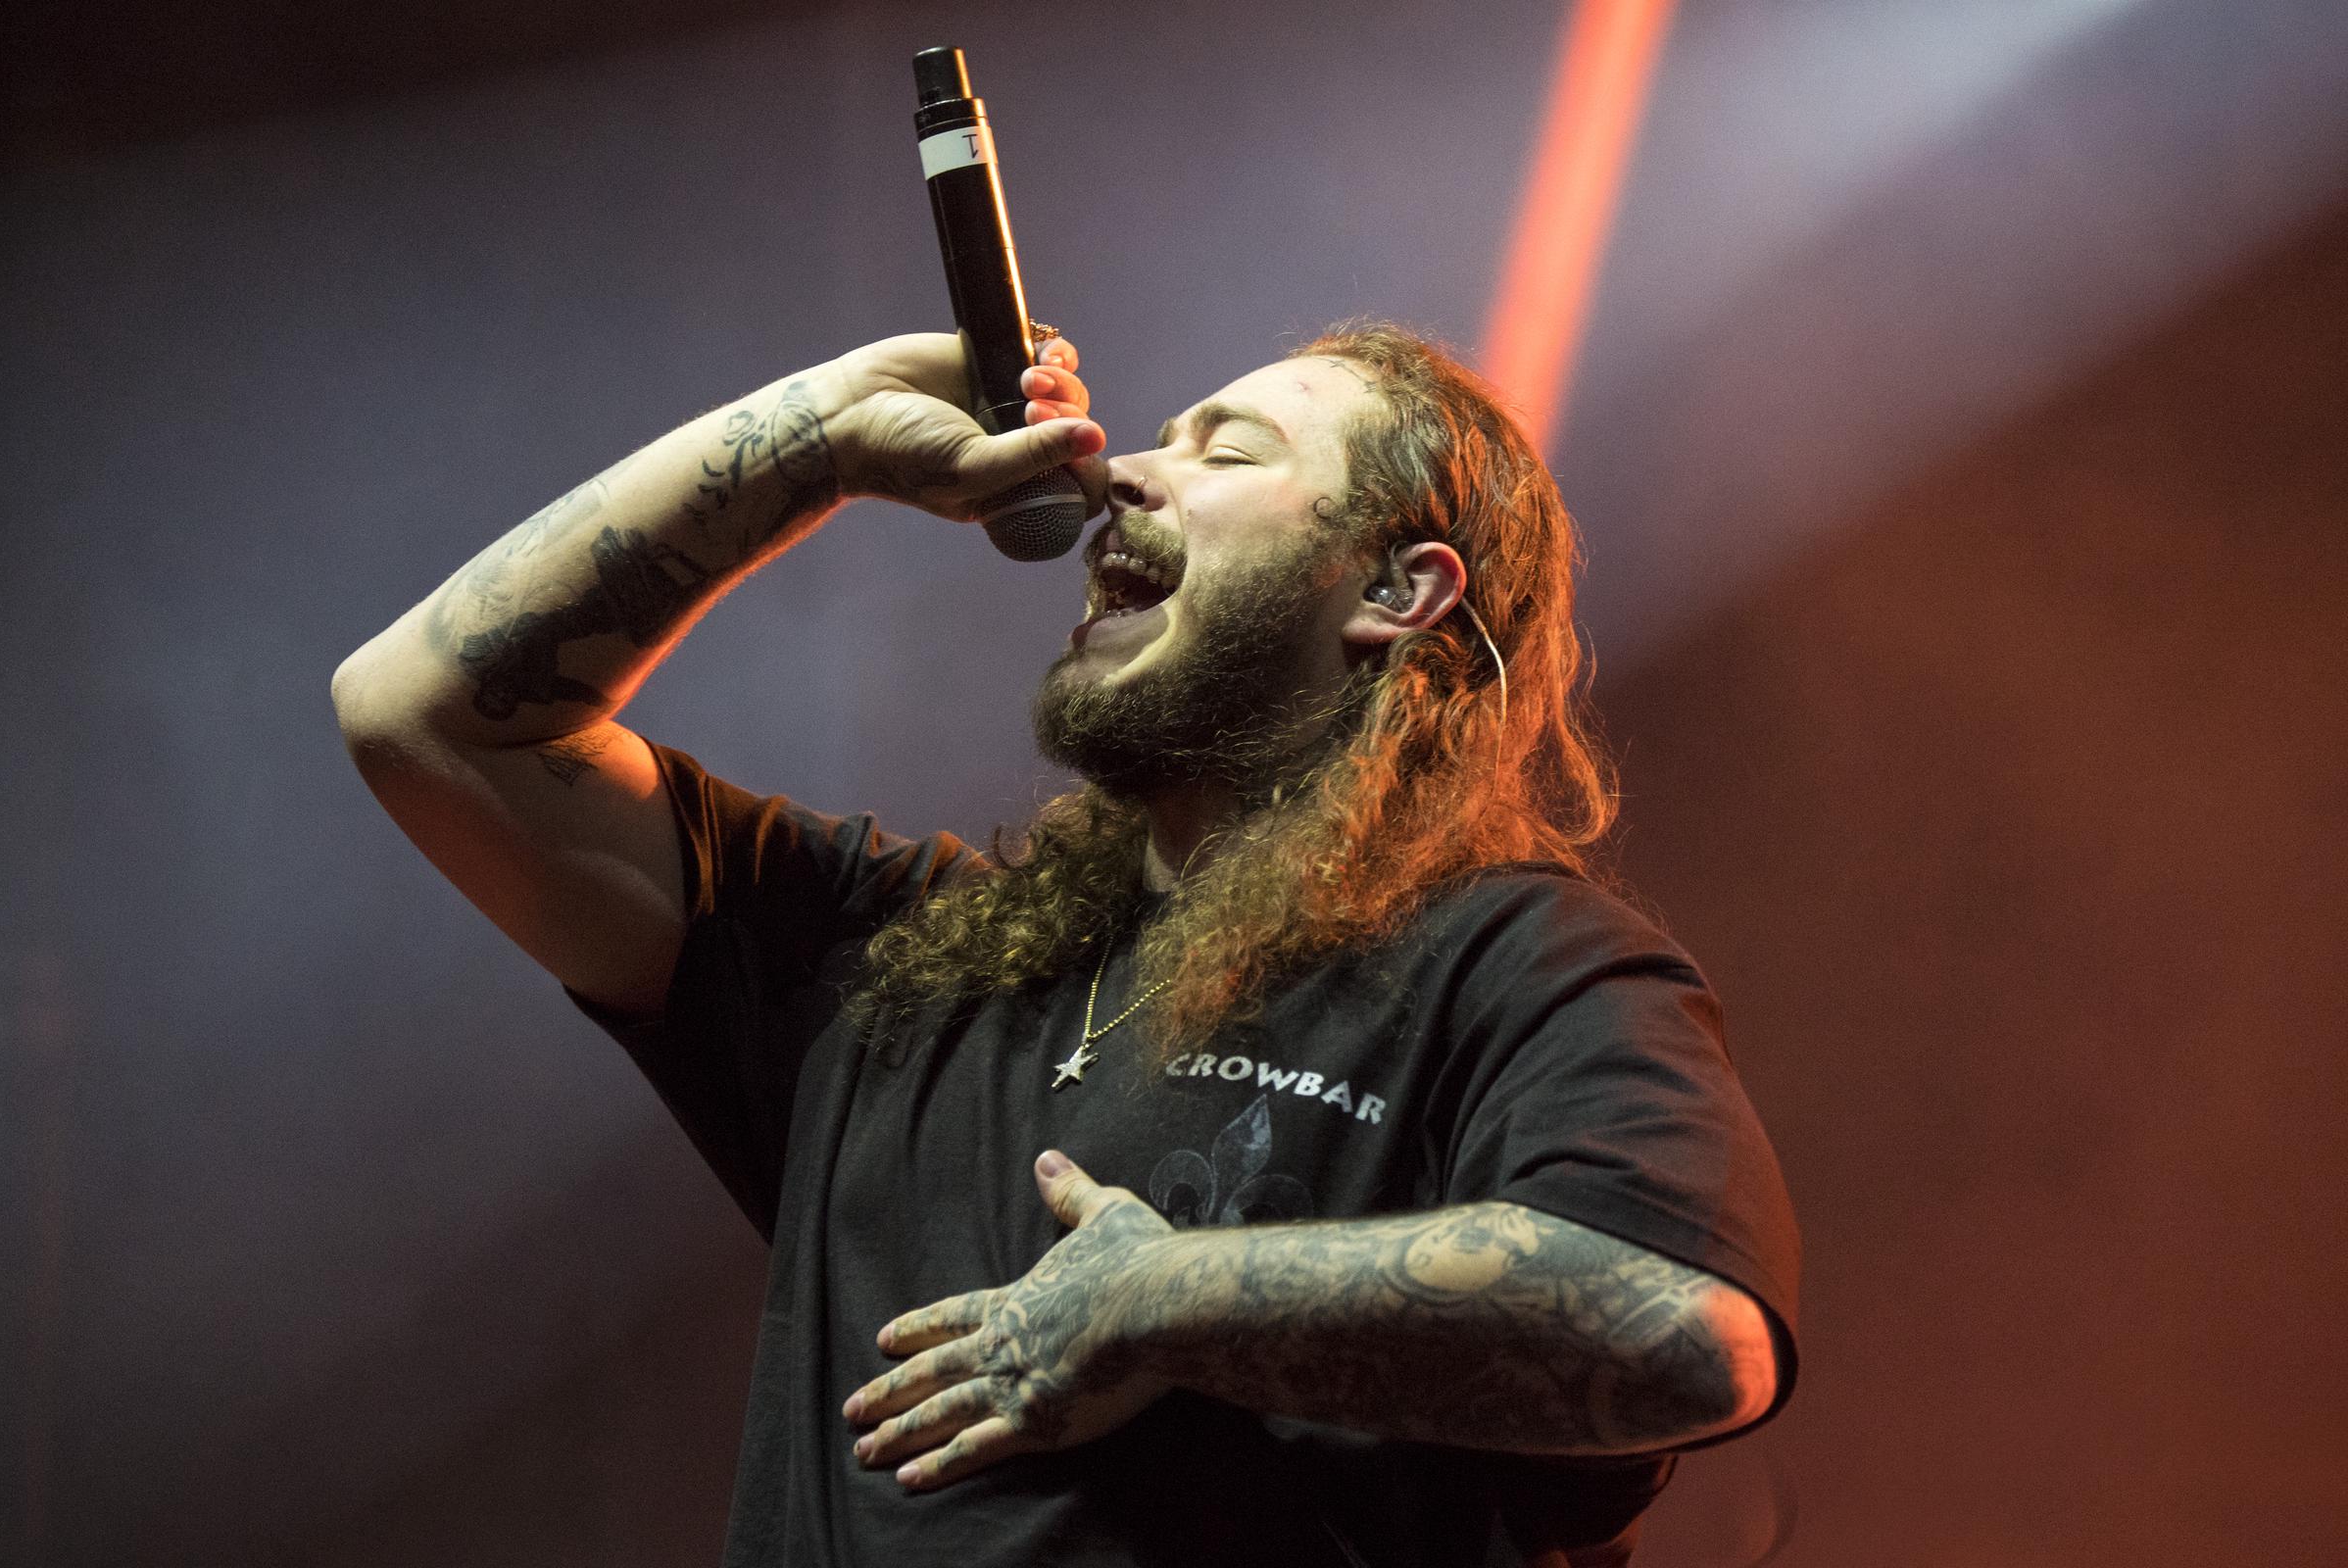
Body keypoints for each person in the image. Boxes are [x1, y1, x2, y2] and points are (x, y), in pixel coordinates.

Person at [331, 324, 1800, 1567]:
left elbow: (1687, 1334)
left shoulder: (1514, 964)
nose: (1122, 474)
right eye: (1158, 438)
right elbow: (430, 717)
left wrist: (1164, 1304)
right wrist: (826, 436)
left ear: (1393, 592)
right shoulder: (901, 956)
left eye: (1226, 452)